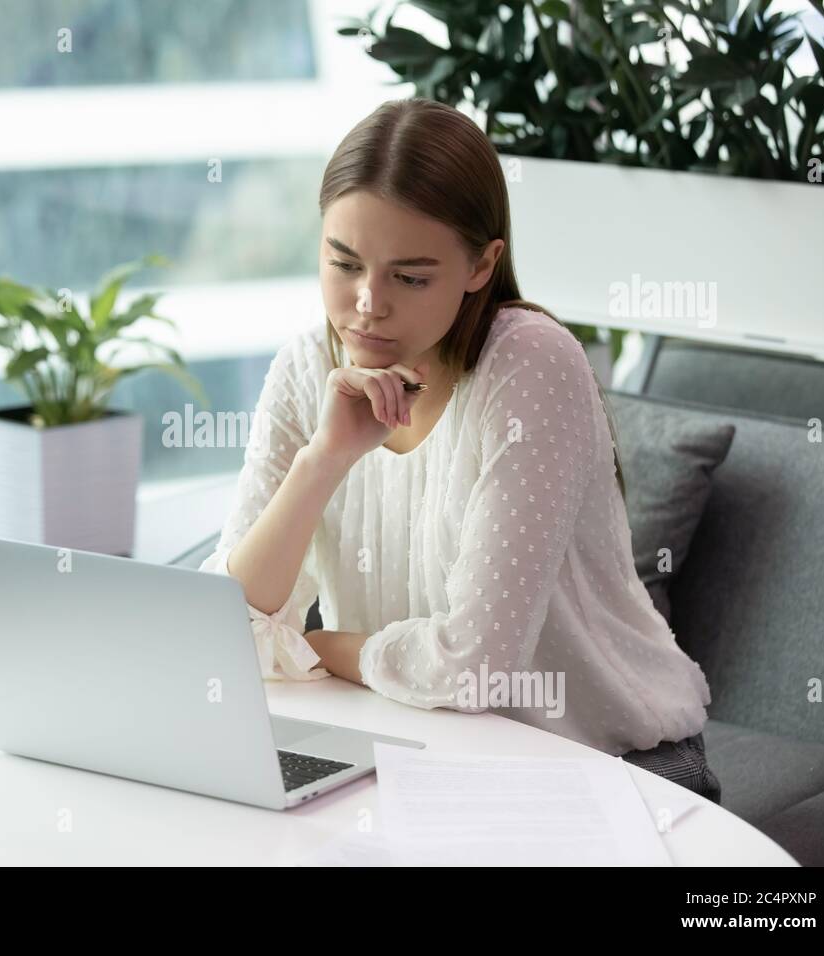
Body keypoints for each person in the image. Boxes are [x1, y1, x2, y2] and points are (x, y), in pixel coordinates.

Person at [198, 98, 720, 804]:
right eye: (343, 263)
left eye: (410, 277)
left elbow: (477, 667)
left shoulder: (530, 365)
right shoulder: (306, 365)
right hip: (419, 738)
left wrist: (318, 649)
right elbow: (225, 629)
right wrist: (323, 458)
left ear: (482, 264)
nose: (367, 304)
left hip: (613, 756)